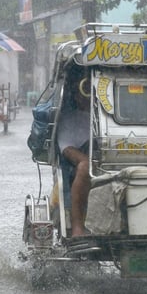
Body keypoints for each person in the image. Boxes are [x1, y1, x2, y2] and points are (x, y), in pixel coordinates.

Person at [57, 73, 92, 237]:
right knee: (85, 166)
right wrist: (86, 160)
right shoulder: (69, 119)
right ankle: (78, 226)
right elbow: (67, 148)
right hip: (83, 162)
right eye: (84, 90)